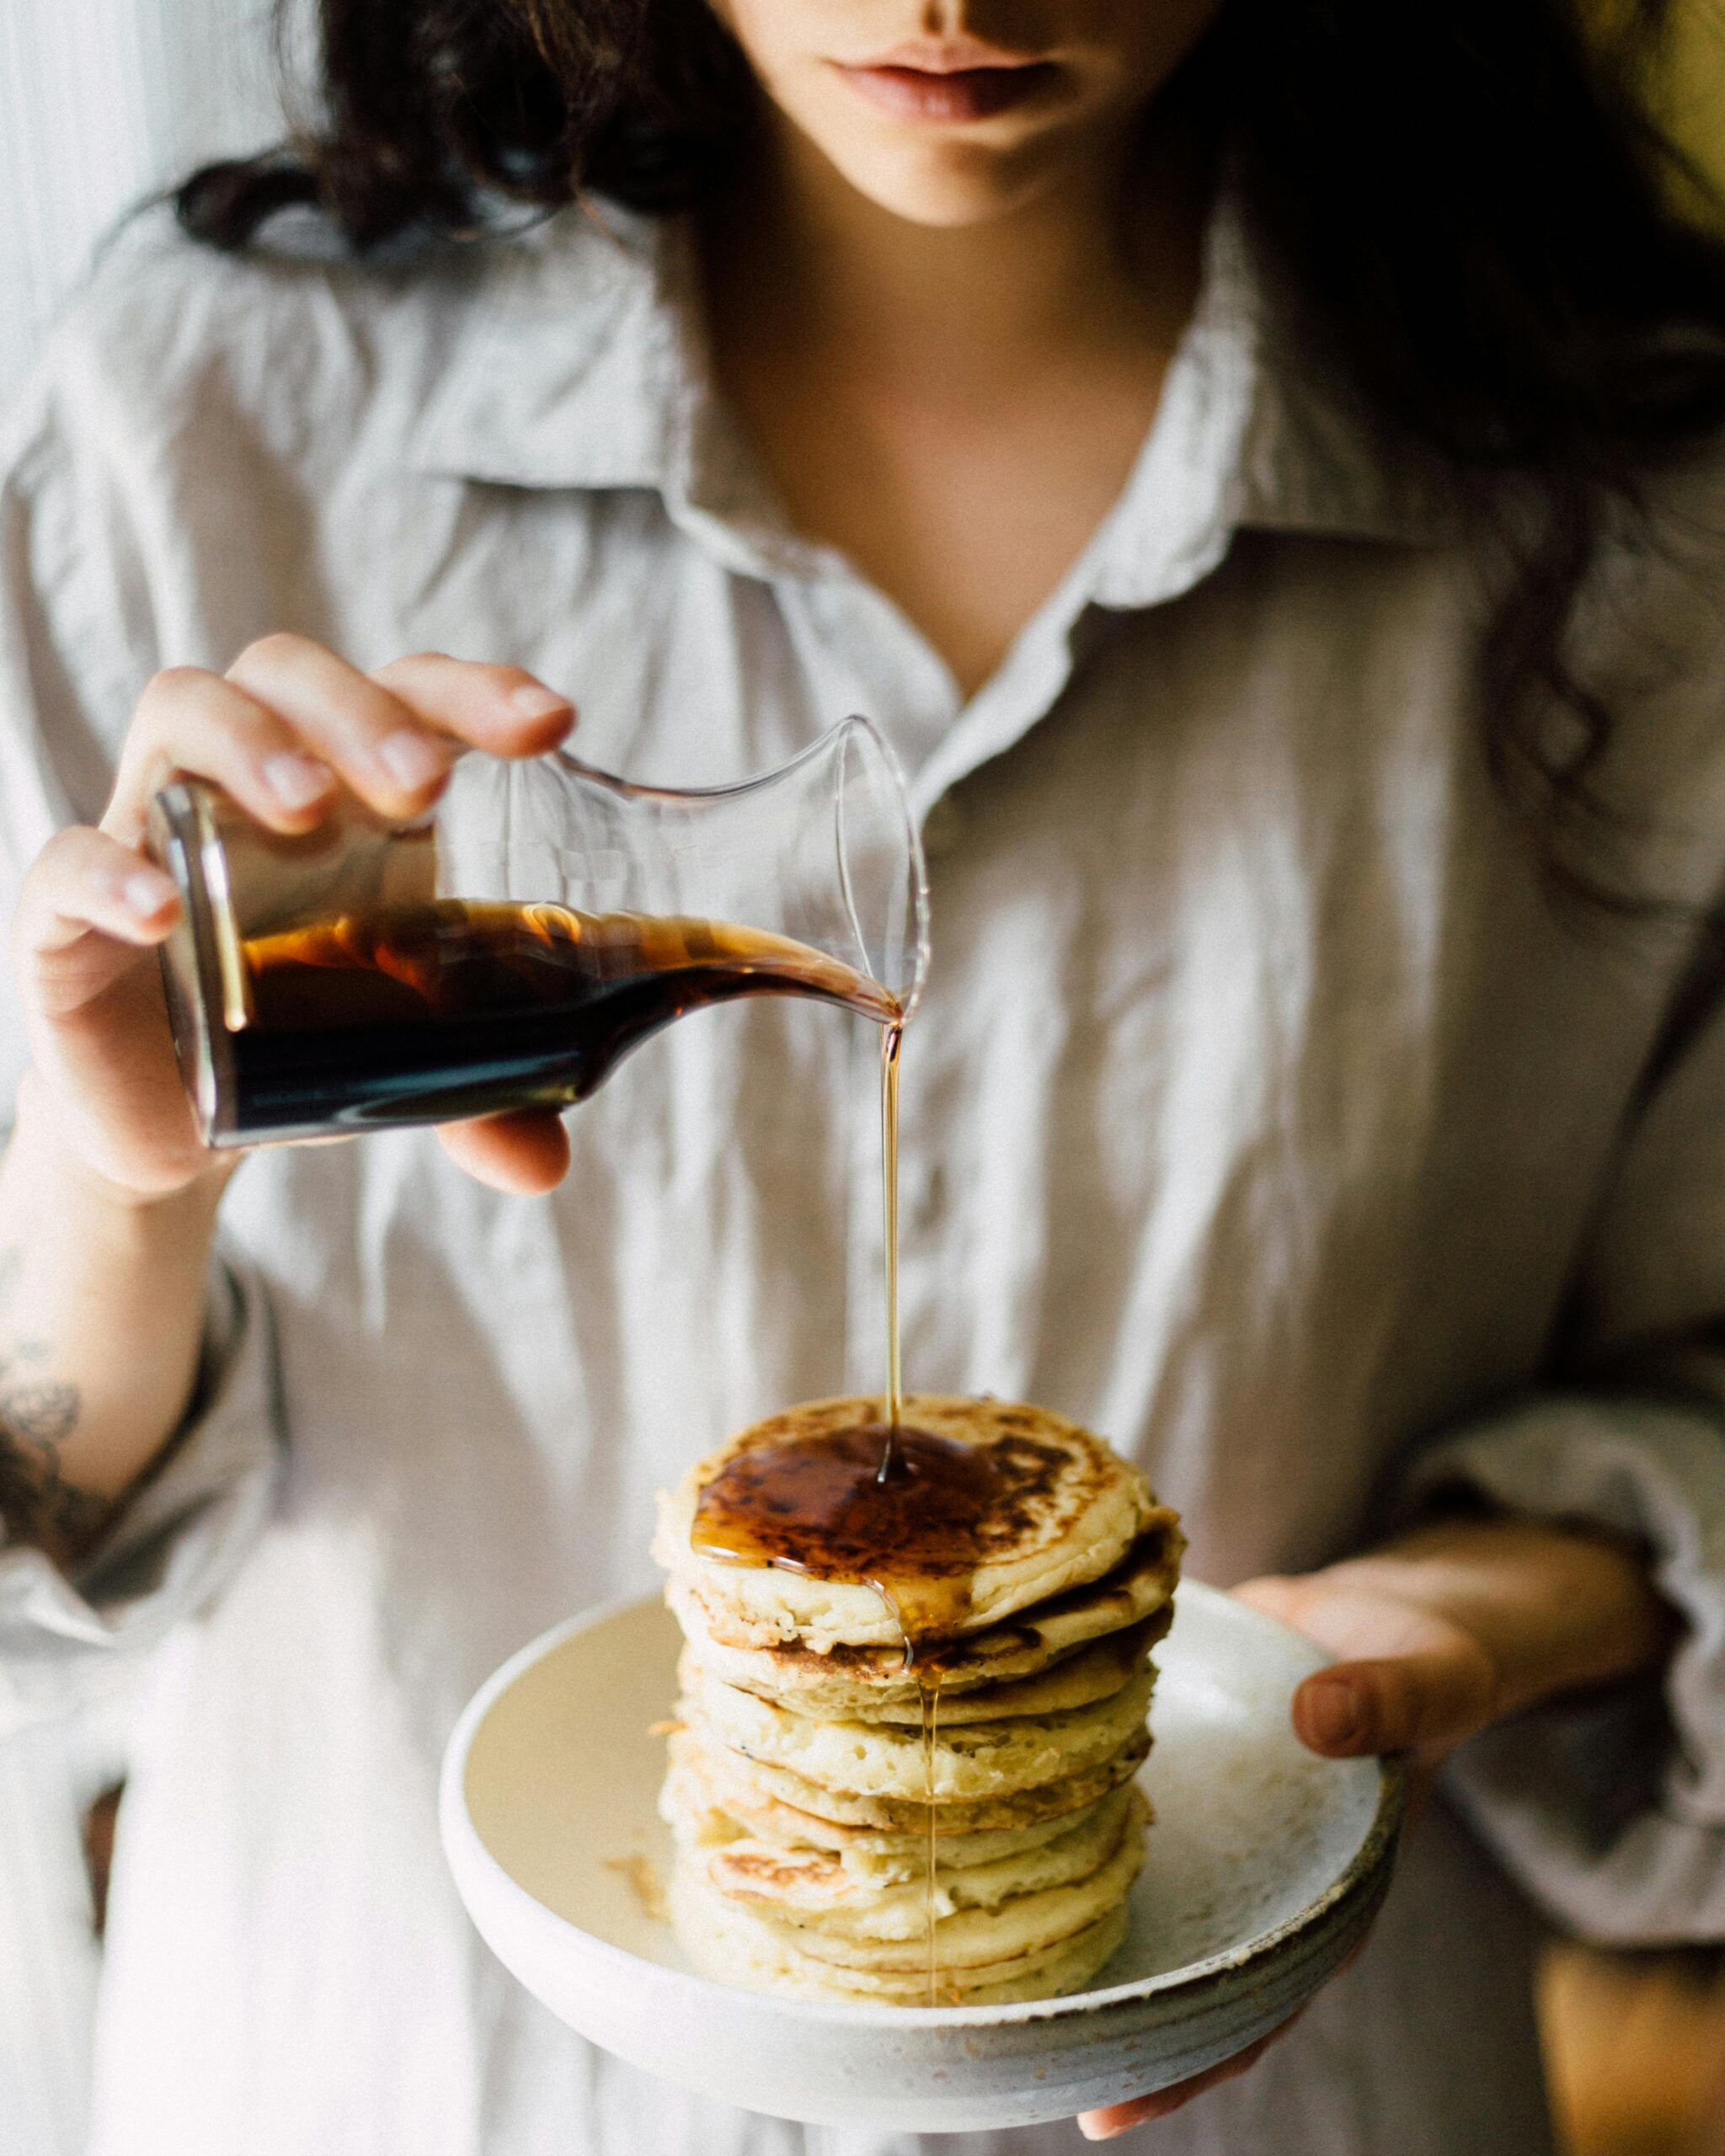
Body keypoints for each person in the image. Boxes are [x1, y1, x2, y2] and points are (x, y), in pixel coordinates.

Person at [2, 0, 1722, 2148]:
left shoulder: (1646, 503)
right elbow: (22, 1556)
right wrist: (118, 1178)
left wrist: (1469, 1611)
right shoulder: (208, 404)